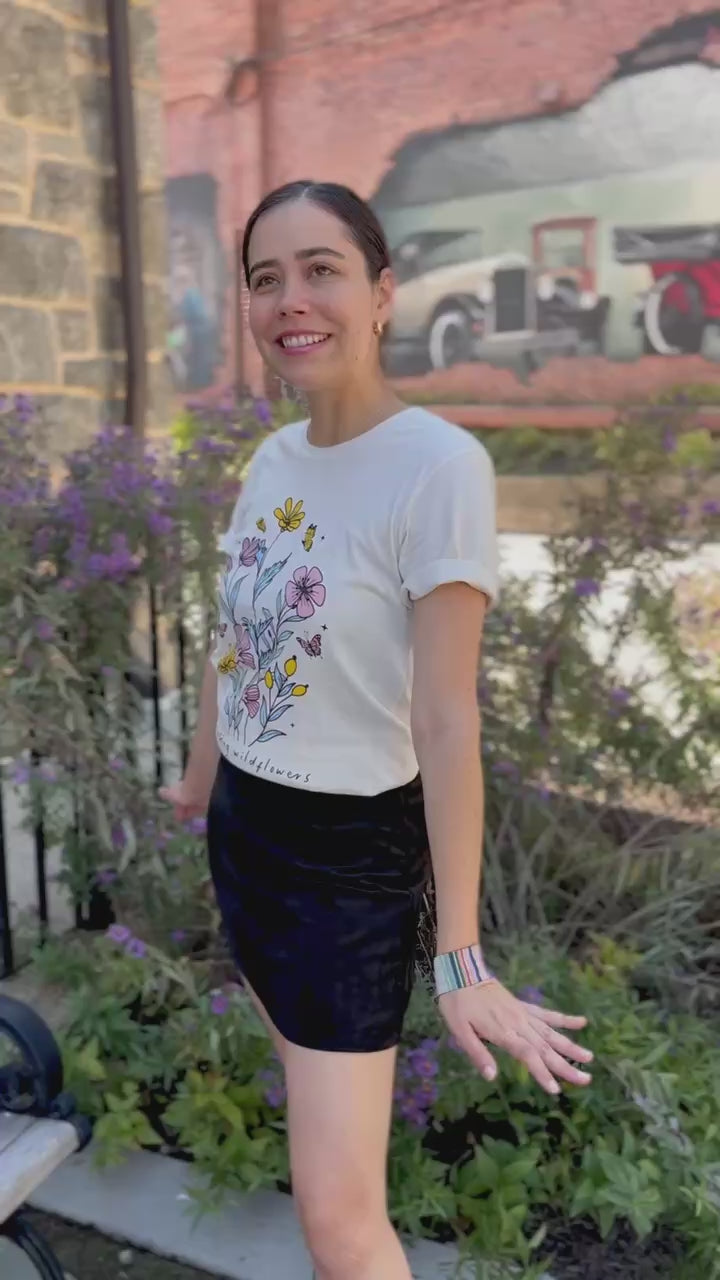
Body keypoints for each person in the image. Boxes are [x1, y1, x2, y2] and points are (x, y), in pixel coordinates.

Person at [161, 181, 593, 1280]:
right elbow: (236, 634)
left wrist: (462, 956)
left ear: (384, 293)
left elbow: (446, 720)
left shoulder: (438, 466)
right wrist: (199, 781)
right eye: (266, 278)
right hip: (248, 836)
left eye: (322, 270)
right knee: (333, 1178)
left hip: (346, 867)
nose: (290, 300)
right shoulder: (272, 460)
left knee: (341, 1222)